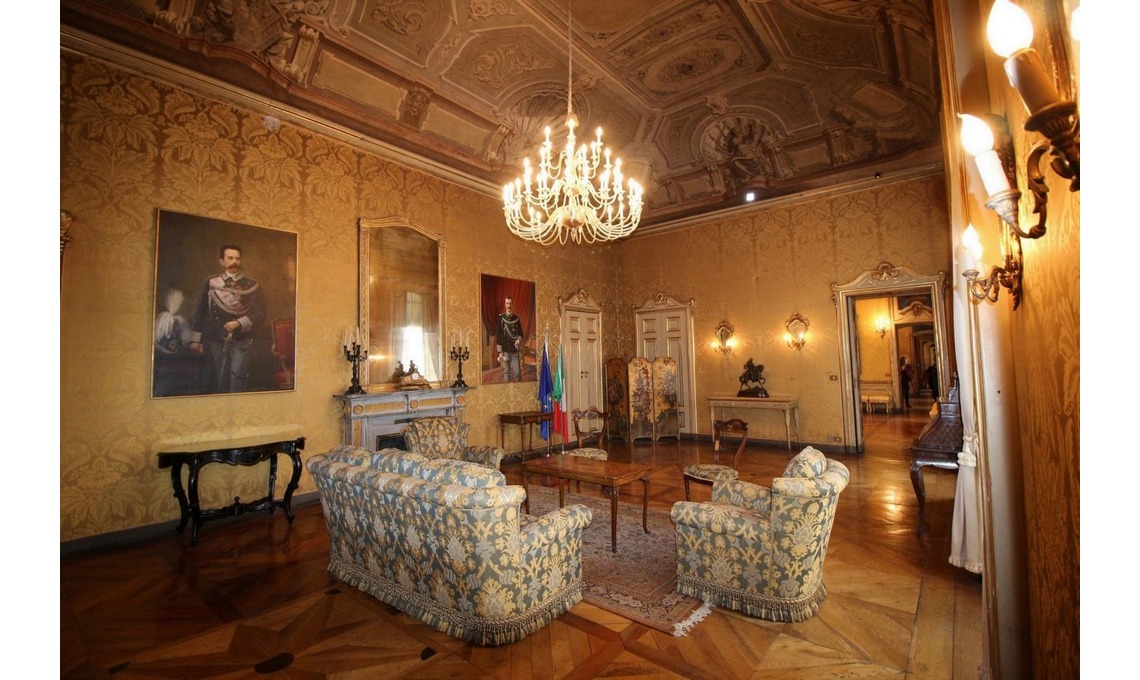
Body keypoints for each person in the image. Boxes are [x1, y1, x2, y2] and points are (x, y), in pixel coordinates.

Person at [188, 244, 266, 393]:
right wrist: (195, 340)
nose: (234, 262)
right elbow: (201, 312)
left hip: (241, 338)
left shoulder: (252, 285)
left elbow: (260, 313)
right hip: (216, 337)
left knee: (238, 378)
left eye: (237, 258)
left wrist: (239, 323)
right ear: (221, 261)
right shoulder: (211, 283)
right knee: (218, 377)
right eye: (230, 258)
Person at [496, 296, 525, 382]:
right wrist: (500, 352)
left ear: (512, 305)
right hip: (505, 349)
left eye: (510, 304)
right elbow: (499, 335)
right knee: (507, 372)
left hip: (514, 349)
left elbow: (520, 333)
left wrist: (518, 339)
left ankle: (518, 388)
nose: (508, 305)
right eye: (507, 303)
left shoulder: (516, 318)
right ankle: (506, 388)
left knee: (517, 372)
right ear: (505, 304)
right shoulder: (501, 318)